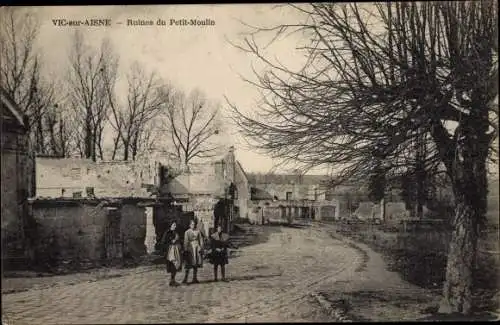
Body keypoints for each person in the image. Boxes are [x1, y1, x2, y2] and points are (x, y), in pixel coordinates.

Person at [160, 220, 182, 286]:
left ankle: (173, 280)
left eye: (175, 225)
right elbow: (163, 241)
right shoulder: (167, 232)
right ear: (171, 225)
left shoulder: (176, 232)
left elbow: (179, 240)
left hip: (176, 250)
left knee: (176, 264)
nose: (175, 226)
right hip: (170, 250)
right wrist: (171, 241)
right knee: (172, 264)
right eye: (173, 225)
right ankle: (172, 281)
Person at [182, 218, 204, 284]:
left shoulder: (198, 231)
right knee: (188, 263)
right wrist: (186, 249)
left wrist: (201, 247)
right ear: (189, 225)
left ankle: (195, 278)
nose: (193, 226)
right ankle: (185, 279)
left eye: (194, 224)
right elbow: (185, 241)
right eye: (192, 224)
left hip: (196, 248)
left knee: (196, 263)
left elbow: (201, 240)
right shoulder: (187, 232)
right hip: (190, 248)